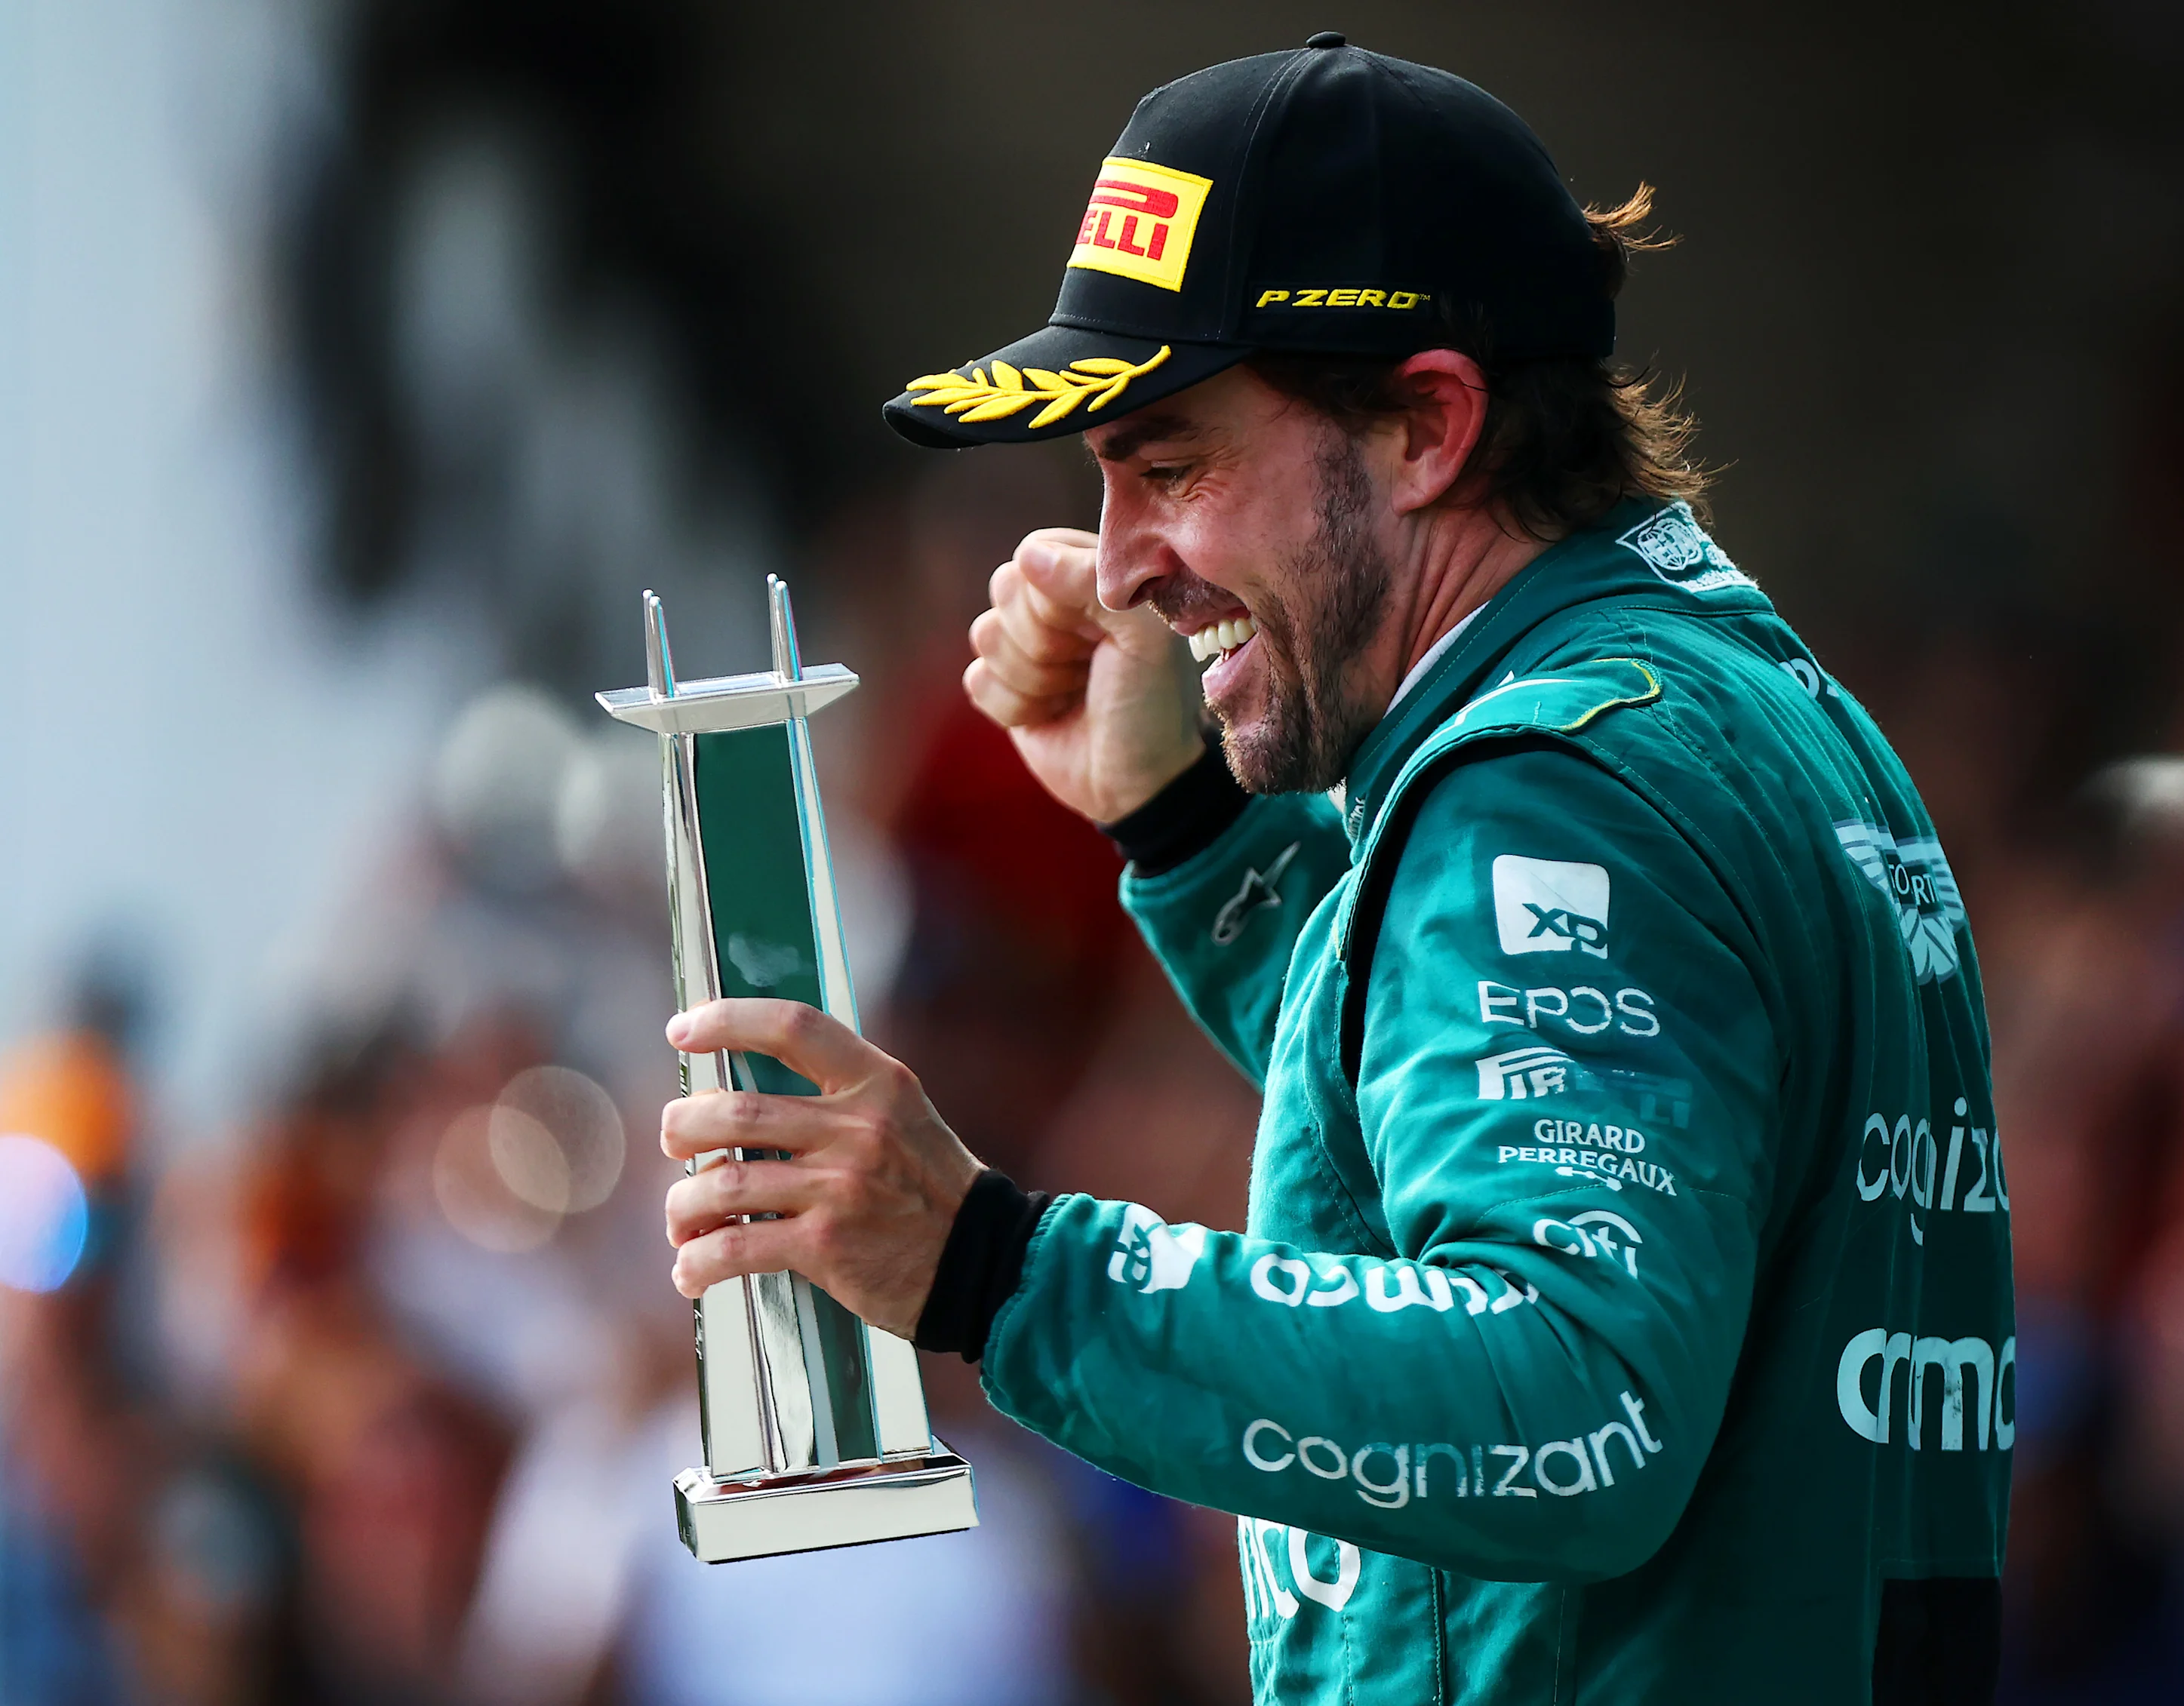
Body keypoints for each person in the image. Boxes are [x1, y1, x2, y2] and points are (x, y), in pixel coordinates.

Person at [660, 35, 2013, 1704]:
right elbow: (1506, 1088)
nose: (1120, 562)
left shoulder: (1551, 789)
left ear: (1427, 425)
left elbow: (1575, 1398)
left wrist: (995, 1265)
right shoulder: (1740, 701)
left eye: (1172, 465)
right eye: (1104, 479)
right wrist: (1187, 822)